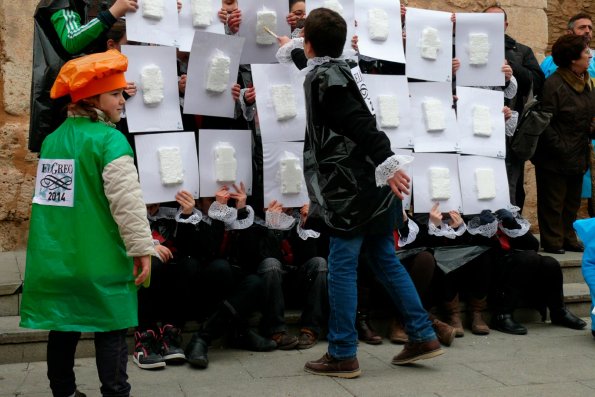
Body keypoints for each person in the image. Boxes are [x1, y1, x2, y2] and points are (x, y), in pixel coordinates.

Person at [300, 8, 442, 379]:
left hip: (352, 191)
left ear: (309, 42)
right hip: (369, 187)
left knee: (343, 268)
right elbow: (333, 88)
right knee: (384, 259)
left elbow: (360, 124)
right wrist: (294, 50)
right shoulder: (338, 68)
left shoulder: (327, 77)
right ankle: (423, 334)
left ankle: (343, 352)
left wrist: (389, 162)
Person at [20, 50, 154, 397]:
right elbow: (127, 204)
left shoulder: (52, 141)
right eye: (115, 94)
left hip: (58, 259)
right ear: (93, 99)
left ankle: (63, 393)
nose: (122, 100)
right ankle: (115, 392)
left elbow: (53, 203)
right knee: (111, 328)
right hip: (101, 260)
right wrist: (142, 248)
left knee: (62, 328)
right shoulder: (111, 141)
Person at [29, 0, 139, 152]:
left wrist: (167, 13)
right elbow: (71, 40)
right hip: (71, 105)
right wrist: (114, 11)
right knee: (72, 159)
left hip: (104, 113)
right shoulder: (62, 1)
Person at [532, 34, 595, 254]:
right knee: (553, 201)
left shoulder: (585, 81)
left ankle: (569, 237)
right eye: (586, 51)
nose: (589, 55)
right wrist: (561, 147)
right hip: (554, 154)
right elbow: (544, 121)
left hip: (578, 150)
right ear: (572, 58)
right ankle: (553, 241)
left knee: (571, 202)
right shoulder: (555, 84)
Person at [484, 5, 545, 210]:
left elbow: (537, 81)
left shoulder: (522, 51)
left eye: (497, 20)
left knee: (512, 179)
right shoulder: (468, 45)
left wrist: (511, 66)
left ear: (505, 24)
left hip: (511, 127)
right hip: (478, 124)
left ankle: (513, 228)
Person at [541, 13, 595, 79]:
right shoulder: (549, 62)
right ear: (570, 33)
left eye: (590, 28)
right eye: (582, 27)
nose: (587, 31)